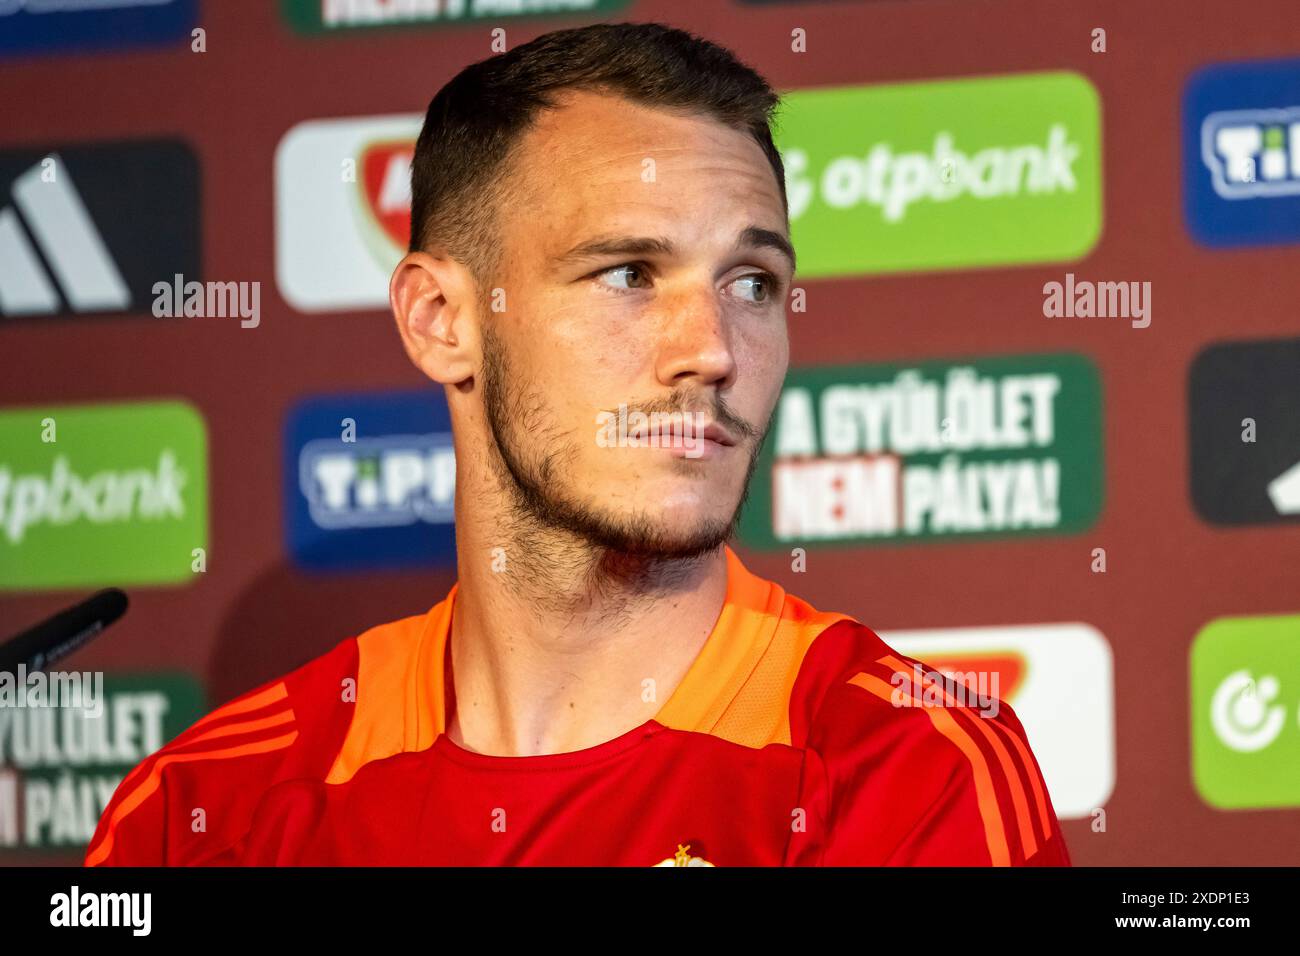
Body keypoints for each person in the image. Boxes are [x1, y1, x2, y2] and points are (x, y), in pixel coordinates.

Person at [85, 21, 1069, 867]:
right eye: (629, 273)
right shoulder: (204, 809)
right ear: (440, 319)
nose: (713, 351)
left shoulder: (908, 767)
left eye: (752, 283)